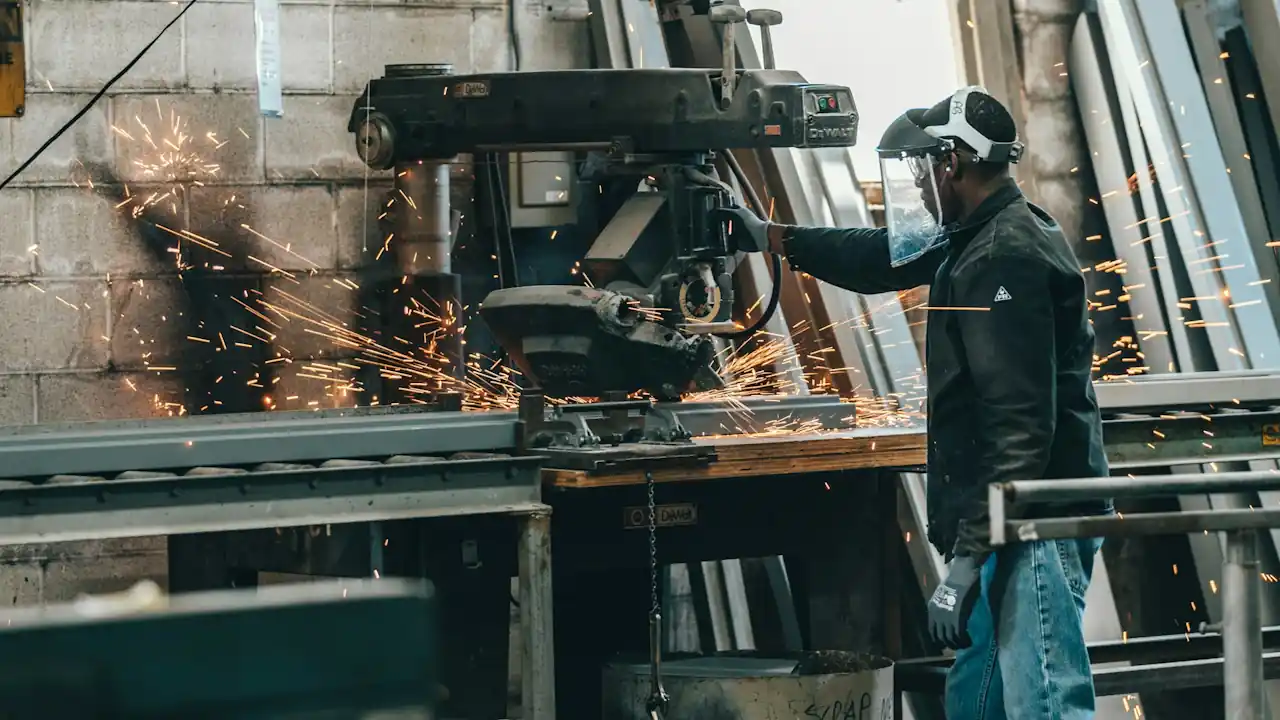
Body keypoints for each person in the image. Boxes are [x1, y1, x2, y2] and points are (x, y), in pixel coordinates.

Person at [718, 87, 1112, 719]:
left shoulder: (1003, 255)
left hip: (1032, 521)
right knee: (975, 701)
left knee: (1045, 701)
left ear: (951, 162)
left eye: (924, 170)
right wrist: (772, 236)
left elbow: (1019, 431)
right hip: (1003, 520)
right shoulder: (976, 234)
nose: (922, 187)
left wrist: (962, 568)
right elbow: (877, 257)